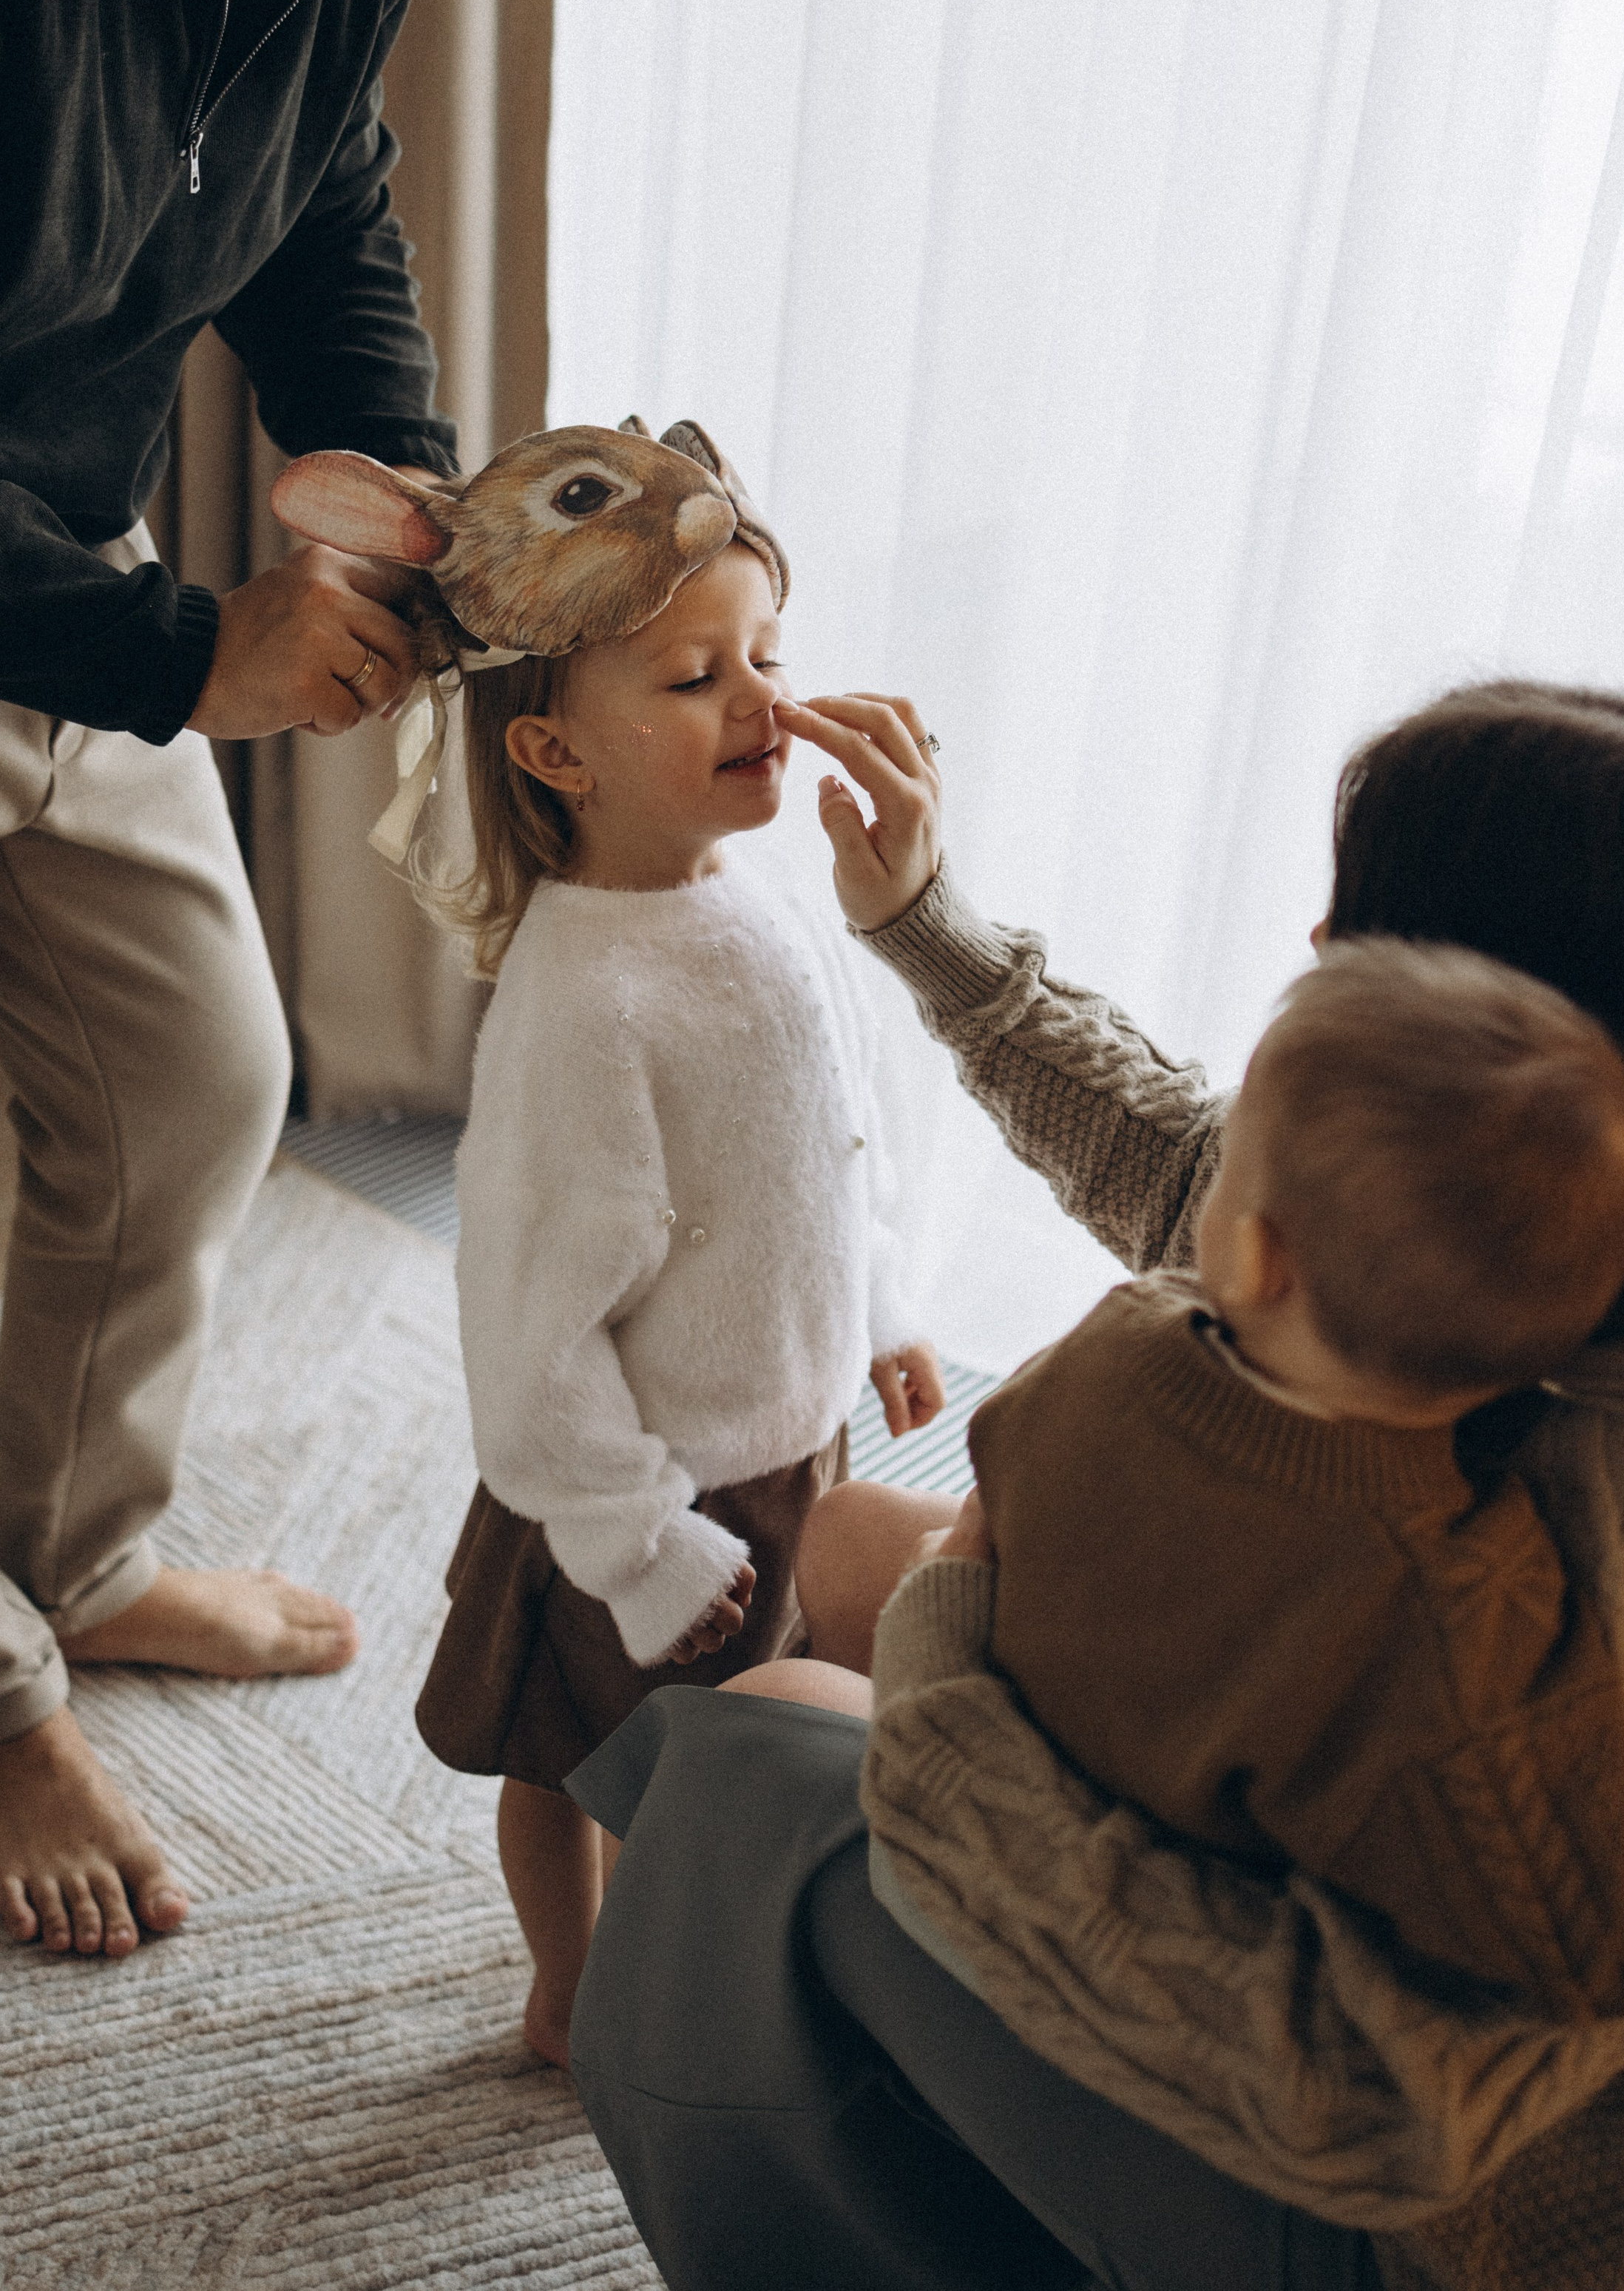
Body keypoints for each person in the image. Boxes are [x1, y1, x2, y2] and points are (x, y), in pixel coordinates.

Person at [560, 681, 1624, 2291]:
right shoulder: (1599, 1206)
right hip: (1426, 1858)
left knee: (752, 1760)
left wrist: (949, 1691)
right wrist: (929, 931)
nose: (1313, 937)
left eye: (1361, 927)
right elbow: (1212, 1180)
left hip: (1473, 2228)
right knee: (846, 1542)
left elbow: (1368, 2102)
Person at [0, 0, 731, 1963]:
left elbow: (321, 187)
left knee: (201, 1074)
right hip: (16, 581)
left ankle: (78, 1547)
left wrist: (382, 456)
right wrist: (188, 653)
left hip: (58, 558)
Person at [938, 940, 1624, 2020]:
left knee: (844, 1539)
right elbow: (1593, 1932)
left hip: (1006, 1812)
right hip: (1142, 1921)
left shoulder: (1115, 1342)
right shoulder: (1457, 1607)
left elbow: (994, 1478)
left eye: (1230, 1151)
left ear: (1253, 1256)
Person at [391, 424, 944, 2065]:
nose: (761, 700)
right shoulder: (585, 999)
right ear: (555, 752)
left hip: (777, 1439)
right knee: (573, 1761)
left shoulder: (763, 905)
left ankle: (655, 1979)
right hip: (628, 1488)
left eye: (766, 653)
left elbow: (824, 1156)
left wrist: (878, 1307)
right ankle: (575, 1989)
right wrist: (636, 1540)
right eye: (697, 677)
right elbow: (528, 1323)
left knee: (708, 1772)